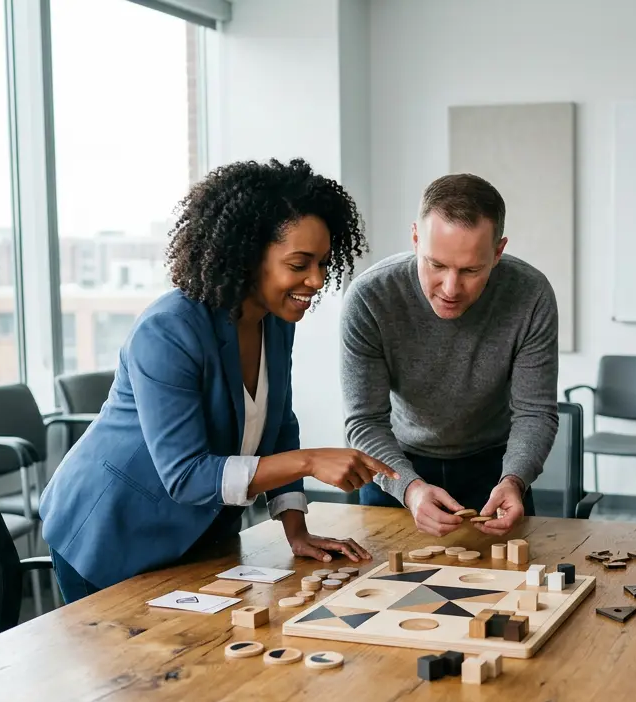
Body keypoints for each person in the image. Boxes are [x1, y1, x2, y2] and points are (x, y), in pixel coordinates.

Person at [39, 158, 397, 603]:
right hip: (110, 532)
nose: (317, 279)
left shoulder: (276, 322)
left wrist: (297, 531)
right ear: (247, 256)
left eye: (323, 262)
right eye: (300, 263)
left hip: (197, 537)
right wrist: (308, 462)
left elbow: (279, 425)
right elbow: (187, 475)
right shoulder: (168, 330)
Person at [341, 173, 559, 537]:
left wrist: (514, 480)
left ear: (498, 251)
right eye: (436, 265)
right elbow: (363, 422)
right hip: (395, 467)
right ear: (415, 238)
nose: (451, 288)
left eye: (471, 270)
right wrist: (409, 489)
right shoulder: (369, 297)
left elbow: (535, 411)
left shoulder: (530, 295)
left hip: (495, 471)